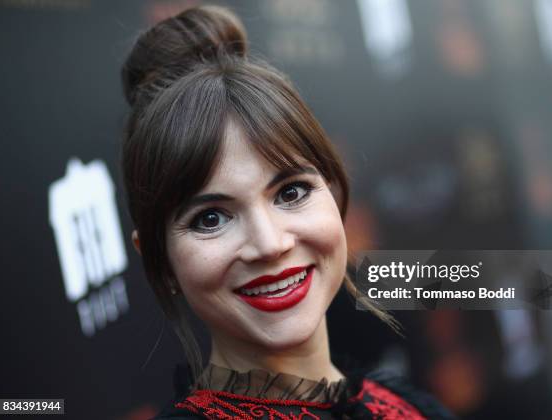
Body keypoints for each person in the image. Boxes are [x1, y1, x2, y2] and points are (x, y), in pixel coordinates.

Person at [120, 5, 454, 419]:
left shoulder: (408, 407)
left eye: (291, 192)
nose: (270, 243)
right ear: (158, 259)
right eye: (211, 218)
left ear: (333, 191)